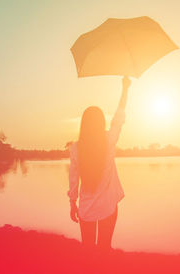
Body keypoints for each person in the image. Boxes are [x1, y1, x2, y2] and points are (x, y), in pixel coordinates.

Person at [68, 76, 131, 250]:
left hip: (86, 208)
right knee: (105, 249)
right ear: (101, 122)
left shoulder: (76, 148)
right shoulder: (109, 140)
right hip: (108, 206)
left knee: (88, 249)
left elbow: (73, 179)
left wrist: (73, 203)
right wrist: (125, 88)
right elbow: (119, 117)